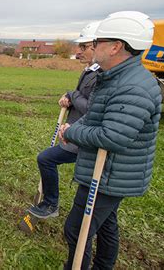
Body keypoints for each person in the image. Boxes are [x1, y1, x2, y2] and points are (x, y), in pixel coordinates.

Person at [59, 11, 161, 269]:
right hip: (105, 171)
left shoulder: (131, 87)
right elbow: (94, 115)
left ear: (116, 46)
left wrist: (71, 132)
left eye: (97, 42)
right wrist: (76, 125)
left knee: (77, 229)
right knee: (106, 224)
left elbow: (113, 136)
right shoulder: (113, 78)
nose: (93, 47)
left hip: (110, 174)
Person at [27, 21, 102, 219]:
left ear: (96, 46)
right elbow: (82, 99)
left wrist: (72, 94)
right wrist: (70, 100)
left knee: (46, 158)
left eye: (84, 47)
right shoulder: (89, 70)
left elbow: (91, 108)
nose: (79, 51)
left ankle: (51, 204)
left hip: (82, 137)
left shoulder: (99, 75)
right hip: (76, 133)